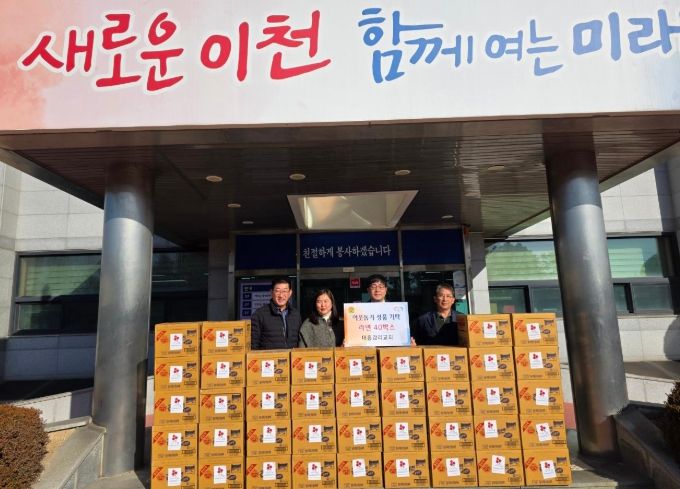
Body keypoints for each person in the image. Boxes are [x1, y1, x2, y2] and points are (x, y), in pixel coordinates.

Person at [250, 277, 302, 349]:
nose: (281, 295)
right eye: (277, 291)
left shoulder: (295, 315)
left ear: (290, 293)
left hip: (292, 356)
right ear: (271, 292)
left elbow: (300, 342)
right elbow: (253, 344)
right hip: (269, 356)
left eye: (284, 291)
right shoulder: (259, 314)